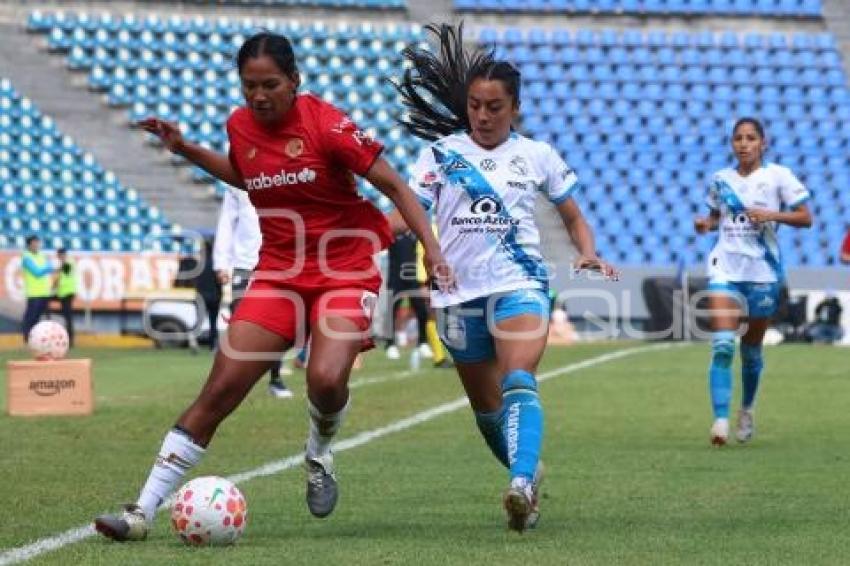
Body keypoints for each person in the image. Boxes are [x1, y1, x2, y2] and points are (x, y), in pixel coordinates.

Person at [94, 31, 451, 542]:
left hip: (346, 267)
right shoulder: (240, 126)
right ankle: (141, 512)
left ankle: (318, 452)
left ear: (294, 81)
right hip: (279, 272)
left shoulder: (327, 125)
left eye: (269, 85)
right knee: (219, 390)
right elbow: (247, 177)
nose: (258, 97)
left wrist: (433, 251)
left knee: (326, 379)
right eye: (248, 87)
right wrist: (185, 148)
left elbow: (394, 186)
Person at [392, 23, 616, 532]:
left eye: (495, 106)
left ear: (514, 108)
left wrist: (586, 253)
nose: (483, 115)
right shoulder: (439, 154)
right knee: (487, 413)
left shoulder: (536, 155)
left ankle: (517, 484)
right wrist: (367, 235)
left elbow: (574, 216)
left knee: (519, 379)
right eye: (475, 105)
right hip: (456, 295)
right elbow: (410, 211)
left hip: (520, 285)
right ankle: (530, 477)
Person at [694, 117, 812, 446]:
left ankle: (746, 408)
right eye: (738, 138)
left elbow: (806, 217)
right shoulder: (720, 180)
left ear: (763, 143)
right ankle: (719, 420)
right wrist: (706, 224)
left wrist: (772, 215)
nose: (743, 144)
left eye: (750, 138)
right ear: (732, 144)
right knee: (722, 343)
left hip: (762, 271)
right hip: (725, 267)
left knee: (751, 351)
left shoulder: (779, 177)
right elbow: (717, 216)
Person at [214, 185, 293, 398]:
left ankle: (275, 378)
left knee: (277, 325)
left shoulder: (282, 179)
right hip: (244, 265)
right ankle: (230, 380)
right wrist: (221, 262)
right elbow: (226, 223)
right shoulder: (237, 185)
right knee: (240, 324)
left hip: (276, 263)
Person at [384, 232, 431, 361]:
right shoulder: (393, 233)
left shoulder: (415, 234)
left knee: (421, 310)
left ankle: (423, 342)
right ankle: (390, 344)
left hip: (412, 277)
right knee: (391, 311)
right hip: (395, 277)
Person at [20, 235, 54, 342]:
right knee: (31, 318)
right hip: (33, 293)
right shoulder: (26, 257)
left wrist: (47, 267)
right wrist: (47, 267)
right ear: (29, 244)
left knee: (41, 319)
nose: (36, 245)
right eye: (34, 243)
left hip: (44, 292)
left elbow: (49, 268)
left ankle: (37, 340)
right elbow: (37, 272)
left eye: (37, 242)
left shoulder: (41, 255)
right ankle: (27, 339)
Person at [51, 247, 77, 347]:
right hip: (62, 293)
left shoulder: (68, 263)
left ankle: (70, 340)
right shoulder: (65, 263)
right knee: (67, 316)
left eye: (60, 255)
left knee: (68, 316)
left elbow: (64, 274)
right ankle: (68, 338)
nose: (59, 257)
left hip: (67, 293)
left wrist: (57, 271)